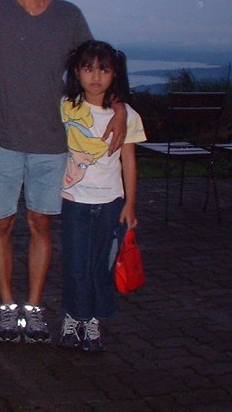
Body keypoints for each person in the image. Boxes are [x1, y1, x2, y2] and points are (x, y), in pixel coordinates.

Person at [0, 0, 125, 345]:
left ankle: (34, 309)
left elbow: (97, 67)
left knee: (41, 224)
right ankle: (6, 307)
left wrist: (121, 106)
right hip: (4, 137)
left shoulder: (69, 16)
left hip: (54, 141)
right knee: (0, 225)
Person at [59, 40, 145, 352]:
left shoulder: (127, 115)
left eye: (104, 70)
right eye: (88, 69)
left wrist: (130, 205)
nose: (96, 76)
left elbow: (129, 161)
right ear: (77, 72)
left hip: (111, 203)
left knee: (101, 265)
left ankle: (93, 320)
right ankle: (73, 316)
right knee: (75, 262)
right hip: (74, 201)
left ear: (115, 74)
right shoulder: (67, 106)